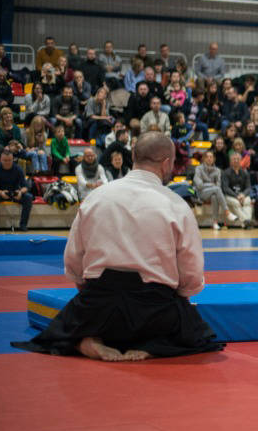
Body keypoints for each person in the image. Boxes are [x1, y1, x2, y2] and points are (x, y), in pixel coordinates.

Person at [12, 132, 224, 360]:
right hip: (153, 310)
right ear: (166, 164)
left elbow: (73, 261)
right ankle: (151, 346)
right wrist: (178, 297)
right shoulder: (176, 205)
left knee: (74, 319)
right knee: (195, 330)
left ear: (133, 155)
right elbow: (191, 275)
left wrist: (91, 294)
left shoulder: (96, 197)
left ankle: (88, 339)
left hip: (97, 306)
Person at [194, 150, 236, 230]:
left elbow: (218, 185)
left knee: (214, 196)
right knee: (216, 190)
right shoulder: (198, 169)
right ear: (204, 159)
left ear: (214, 159)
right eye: (207, 157)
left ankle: (214, 223)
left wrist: (207, 184)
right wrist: (211, 184)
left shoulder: (217, 170)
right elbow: (199, 185)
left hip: (213, 193)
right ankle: (227, 212)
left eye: (211, 157)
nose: (209, 159)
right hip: (201, 194)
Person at [0, 149, 33, 231]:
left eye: (9, 160)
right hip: (1, 193)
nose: (7, 162)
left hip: (15, 193)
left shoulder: (18, 169)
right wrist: (1, 192)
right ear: (1, 159)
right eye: (5, 160)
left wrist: (20, 192)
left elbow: (25, 186)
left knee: (29, 197)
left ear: (13, 159)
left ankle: (23, 225)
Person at [222, 152, 254, 229]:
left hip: (242, 195)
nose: (236, 161)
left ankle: (246, 223)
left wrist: (243, 195)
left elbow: (248, 187)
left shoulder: (245, 173)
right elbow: (225, 188)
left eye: (238, 159)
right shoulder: (226, 173)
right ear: (230, 161)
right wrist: (237, 196)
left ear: (241, 160)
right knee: (236, 203)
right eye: (234, 159)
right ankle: (247, 221)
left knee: (248, 201)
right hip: (230, 196)